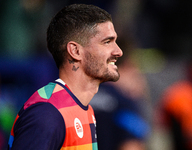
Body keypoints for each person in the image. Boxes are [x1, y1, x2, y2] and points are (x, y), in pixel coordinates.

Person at [8, 3, 123, 150]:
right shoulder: (47, 114)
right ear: (75, 51)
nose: (119, 51)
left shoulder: (85, 110)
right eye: (107, 42)